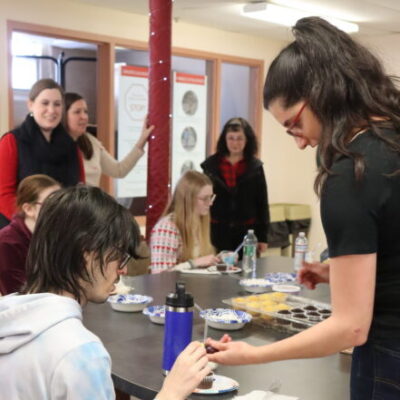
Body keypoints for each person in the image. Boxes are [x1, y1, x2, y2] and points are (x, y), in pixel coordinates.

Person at [206, 17, 400, 400]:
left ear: (322, 93)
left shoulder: (351, 176)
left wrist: (255, 355)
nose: (300, 143)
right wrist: (337, 273)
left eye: (294, 125)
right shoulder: (392, 140)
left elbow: (351, 328)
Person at [0, 185, 210, 399]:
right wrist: (172, 391)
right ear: (87, 254)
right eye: (119, 255)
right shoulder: (80, 353)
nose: (123, 269)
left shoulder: (10, 319)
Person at [0, 79, 84, 222]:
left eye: (57, 104)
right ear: (31, 105)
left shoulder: (72, 146)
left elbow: (80, 189)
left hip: (63, 229)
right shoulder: (12, 141)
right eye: (45, 103)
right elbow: (3, 194)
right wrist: (32, 222)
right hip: (22, 229)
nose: (51, 110)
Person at [201, 117, 269, 255]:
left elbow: (262, 203)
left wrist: (263, 237)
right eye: (231, 138)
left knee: (246, 273)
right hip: (216, 233)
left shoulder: (255, 167)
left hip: (246, 234)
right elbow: (202, 201)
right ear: (224, 139)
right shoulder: (210, 166)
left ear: (247, 140)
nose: (235, 143)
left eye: (239, 138)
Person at [64, 92, 154, 187]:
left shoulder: (91, 142)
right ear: (64, 116)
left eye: (85, 112)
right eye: (77, 112)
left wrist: (142, 140)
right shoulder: (55, 147)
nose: (84, 117)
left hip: (91, 201)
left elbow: (119, 170)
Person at [0, 174, 60, 295]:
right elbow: (16, 293)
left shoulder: (56, 235)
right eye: (50, 203)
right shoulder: (6, 242)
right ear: (28, 209)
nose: (59, 209)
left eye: (61, 201)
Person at [150, 171, 219, 273]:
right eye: (205, 198)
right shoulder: (166, 227)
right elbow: (160, 275)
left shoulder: (199, 221)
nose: (210, 203)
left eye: (211, 197)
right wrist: (193, 263)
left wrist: (218, 260)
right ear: (187, 199)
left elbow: (200, 264)